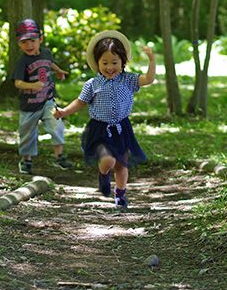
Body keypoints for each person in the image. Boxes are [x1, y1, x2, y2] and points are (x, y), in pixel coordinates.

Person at [55, 31, 155, 209]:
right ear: (97, 63)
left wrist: (151, 61)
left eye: (115, 62)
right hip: (99, 129)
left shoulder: (129, 80)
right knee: (108, 161)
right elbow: (80, 102)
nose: (110, 67)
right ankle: (103, 175)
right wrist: (64, 112)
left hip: (122, 128)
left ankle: (120, 194)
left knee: (122, 165)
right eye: (105, 63)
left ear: (123, 62)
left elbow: (148, 79)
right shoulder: (93, 84)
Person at [12, 18, 74, 175]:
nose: (29, 45)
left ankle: (59, 156)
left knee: (56, 124)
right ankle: (26, 160)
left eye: (32, 41)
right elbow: (18, 83)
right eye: (24, 42)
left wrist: (58, 70)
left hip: (47, 101)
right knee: (27, 133)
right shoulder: (22, 61)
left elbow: (49, 63)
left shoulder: (46, 53)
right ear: (19, 44)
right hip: (29, 105)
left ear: (40, 39)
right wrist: (32, 86)